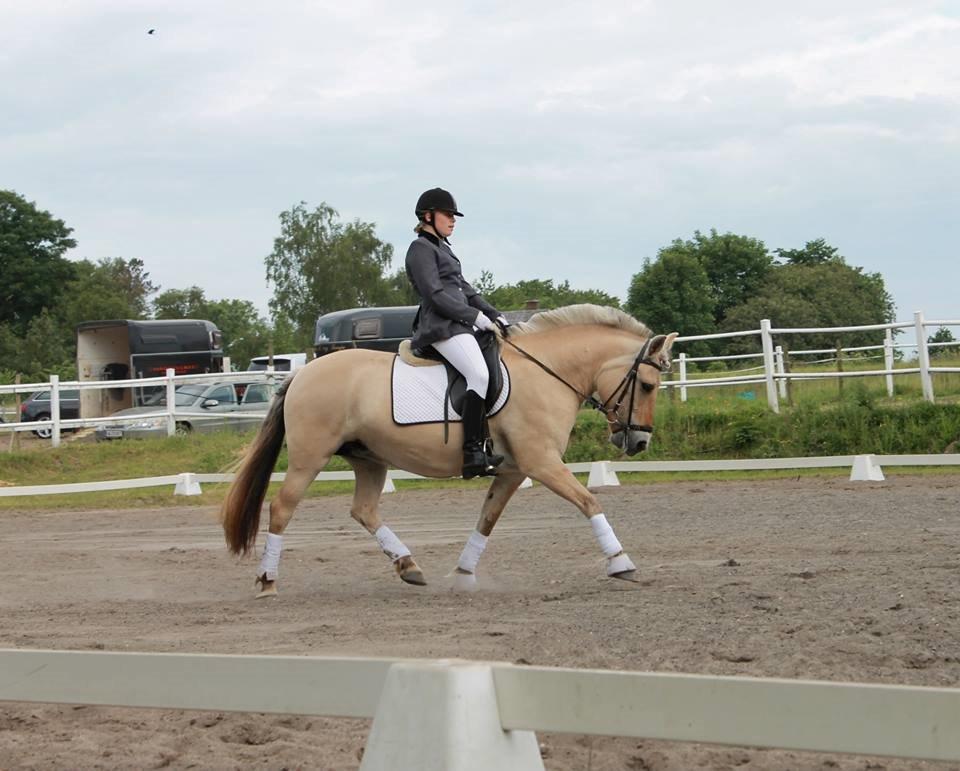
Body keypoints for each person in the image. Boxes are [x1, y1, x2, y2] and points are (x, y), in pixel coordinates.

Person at [405, 187, 511, 479]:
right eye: (448, 214)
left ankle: (487, 443)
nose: (453, 220)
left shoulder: (444, 249)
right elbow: (435, 295)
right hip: (440, 327)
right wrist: (474, 317)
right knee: (478, 374)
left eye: (454, 216)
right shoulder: (420, 249)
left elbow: (467, 290)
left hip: (458, 324)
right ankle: (473, 452)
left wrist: (494, 314)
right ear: (428, 216)